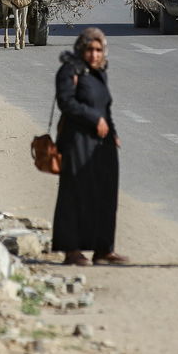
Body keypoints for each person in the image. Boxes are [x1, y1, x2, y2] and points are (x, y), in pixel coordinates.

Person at [52, 27, 125, 267]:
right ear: (81, 49)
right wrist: (95, 120)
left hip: (102, 145)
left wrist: (112, 132)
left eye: (98, 50)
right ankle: (71, 250)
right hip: (77, 140)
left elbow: (106, 108)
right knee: (75, 194)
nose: (94, 54)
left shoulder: (99, 72)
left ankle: (104, 249)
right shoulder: (70, 70)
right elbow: (66, 102)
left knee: (106, 193)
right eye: (90, 49)